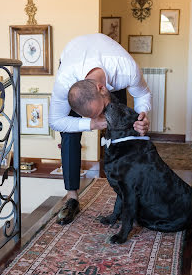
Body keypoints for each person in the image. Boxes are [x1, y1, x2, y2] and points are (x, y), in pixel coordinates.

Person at [49, 33, 151, 225]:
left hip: (110, 67)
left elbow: (143, 94)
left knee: (126, 125)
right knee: (69, 133)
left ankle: (129, 190)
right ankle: (72, 197)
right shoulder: (64, 82)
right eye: (92, 115)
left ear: (103, 89)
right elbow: (55, 121)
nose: (100, 119)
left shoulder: (126, 70)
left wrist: (142, 116)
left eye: (101, 111)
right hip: (73, 60)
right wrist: (90, 124)